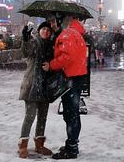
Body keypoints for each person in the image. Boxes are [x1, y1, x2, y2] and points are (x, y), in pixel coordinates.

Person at [42, 15, 88, 160]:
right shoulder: (75, 32)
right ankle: (72, 144)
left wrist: (51, 65)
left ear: (62, 20)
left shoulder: (67, 34)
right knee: (72, 114)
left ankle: (71, 149)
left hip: (71, 79)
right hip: (77, 77)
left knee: (71, 114)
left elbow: (67, 57)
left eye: (54, 21)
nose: (52, 24)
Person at [18, 22, 55, 158]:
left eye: (48, 30)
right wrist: (25, 38)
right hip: (32, 85)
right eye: (43, 29)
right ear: (39, 31)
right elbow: (25, 51)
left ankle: (39, 145)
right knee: (30, 116)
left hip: (45, 87)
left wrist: (50, 65)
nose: (46, 31)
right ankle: (23, 145)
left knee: (42, 117)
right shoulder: (34, 43)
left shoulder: (51, 45)